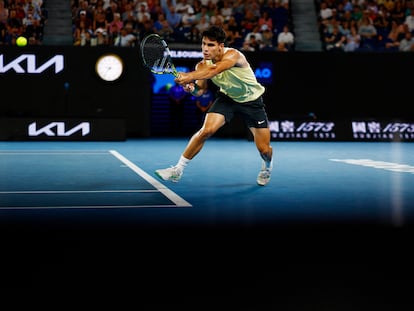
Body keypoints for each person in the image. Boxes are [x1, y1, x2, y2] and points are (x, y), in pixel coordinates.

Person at [155, 25, 273, 186]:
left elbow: (215, 70)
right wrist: (191, 88)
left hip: (252, 102)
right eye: (203, 43)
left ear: (220, 46)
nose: (205, 48)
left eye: (210, 45)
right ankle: (177, 170)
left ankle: (266, 167)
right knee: (206, 130)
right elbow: (200, 91)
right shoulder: (201, 66)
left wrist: (188, 76)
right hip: (227, 98)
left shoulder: (233, 55)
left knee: (264, 150)